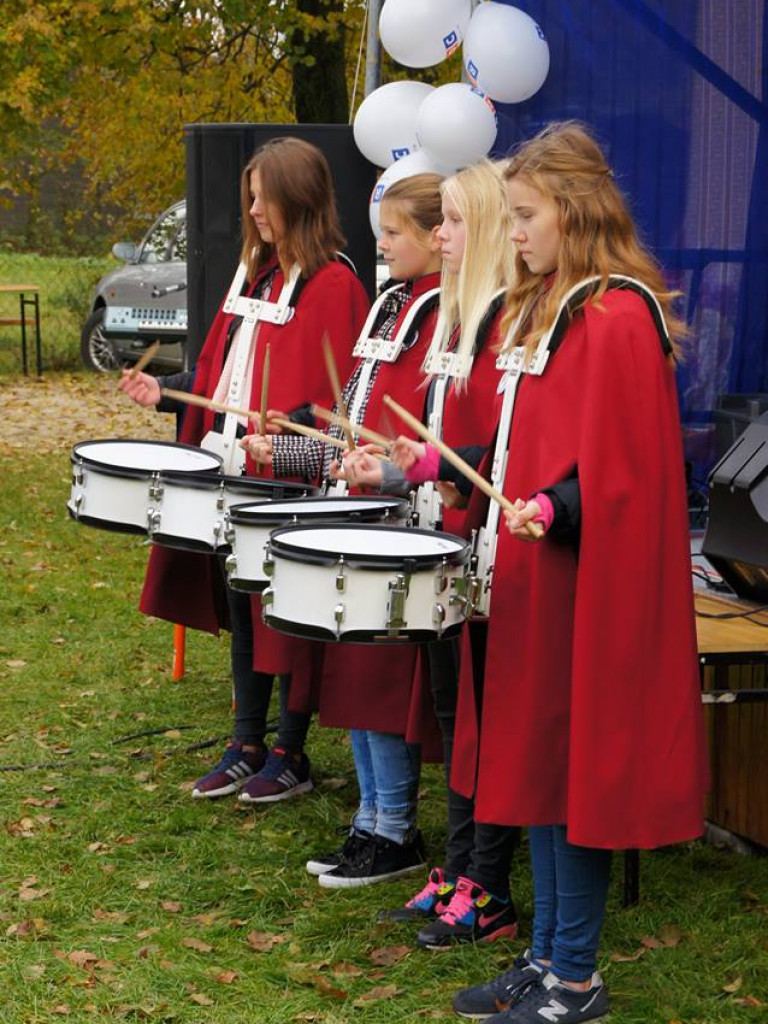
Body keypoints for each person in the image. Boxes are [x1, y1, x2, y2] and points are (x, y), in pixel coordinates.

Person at [445, 122, 707, 1023]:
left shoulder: (617, 313)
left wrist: (554, 507)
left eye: (526, 215)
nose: (512, 233)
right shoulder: (542, 307)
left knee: (574, 776)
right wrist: (437, 462)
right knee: (539, 776)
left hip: (579, 588)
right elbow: (524, 443)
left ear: (576, 208)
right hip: (526, 584)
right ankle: (546, 955)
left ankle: (578, 979)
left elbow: (626, 476)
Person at [119, 137, 369, 804]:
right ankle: (245, 740)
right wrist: (166, 393)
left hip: (289, 478)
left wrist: (288, 439)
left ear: (299, 198)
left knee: (284, 614)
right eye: (250, 196)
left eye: (264, 196)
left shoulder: (334, 283)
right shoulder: (253, 278)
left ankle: (290, 749)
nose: (254, 209)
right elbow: (220, 378)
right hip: (230, 467)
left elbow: (340, 399)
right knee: (242, 602)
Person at [244, 173, 445, 887]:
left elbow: (428, 438)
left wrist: (385, 471)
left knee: (381, 680)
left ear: (435, 237)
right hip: (356, 512)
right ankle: (369, 819)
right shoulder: (393, 302)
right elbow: (348, 420)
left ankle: (395, 827)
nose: (381, 244)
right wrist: (290, 448)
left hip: (400, 524)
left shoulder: (444, 312)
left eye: (393, 233)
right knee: (355, 673)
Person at [339, 161, 521, 946]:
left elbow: (499, 447)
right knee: (454, 717)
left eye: (450, 219)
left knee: (488, 722)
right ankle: (457, 869)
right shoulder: (450, 318)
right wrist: (396, 463)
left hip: (488, 556)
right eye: (437, 219)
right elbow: (431, 435)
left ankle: (489, 886)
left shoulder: (507, 318)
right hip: (438, 544)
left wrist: (442, 474)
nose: (439, 234)